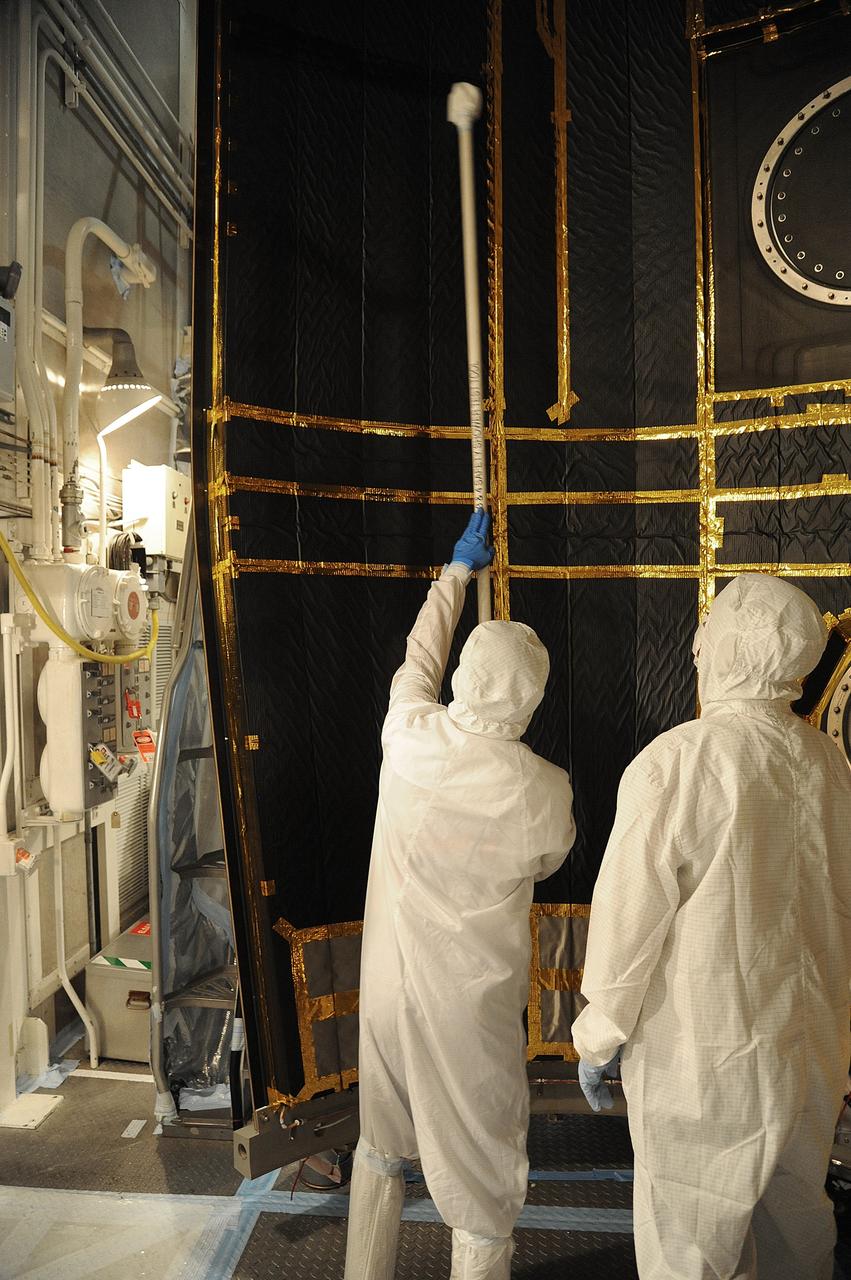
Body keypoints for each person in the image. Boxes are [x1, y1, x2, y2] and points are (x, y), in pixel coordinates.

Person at [572, 573, 851, 1280]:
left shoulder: (676, 762)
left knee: (691, 1245)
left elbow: (628, 922)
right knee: (796, 1227)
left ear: (724, 647)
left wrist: (599, 1031)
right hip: (810, 1044)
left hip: (703, 1056)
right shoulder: (829, 764)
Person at [344, 509, 576, 1280]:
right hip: (466, 1009)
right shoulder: (543, 790)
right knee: (477, 1179)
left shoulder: (407, 732)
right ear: (533, 696)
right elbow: (549, 860)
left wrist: (455, 573)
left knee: (378, 1148)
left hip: (386, 992)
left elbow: (417, 656)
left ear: (463, 680)